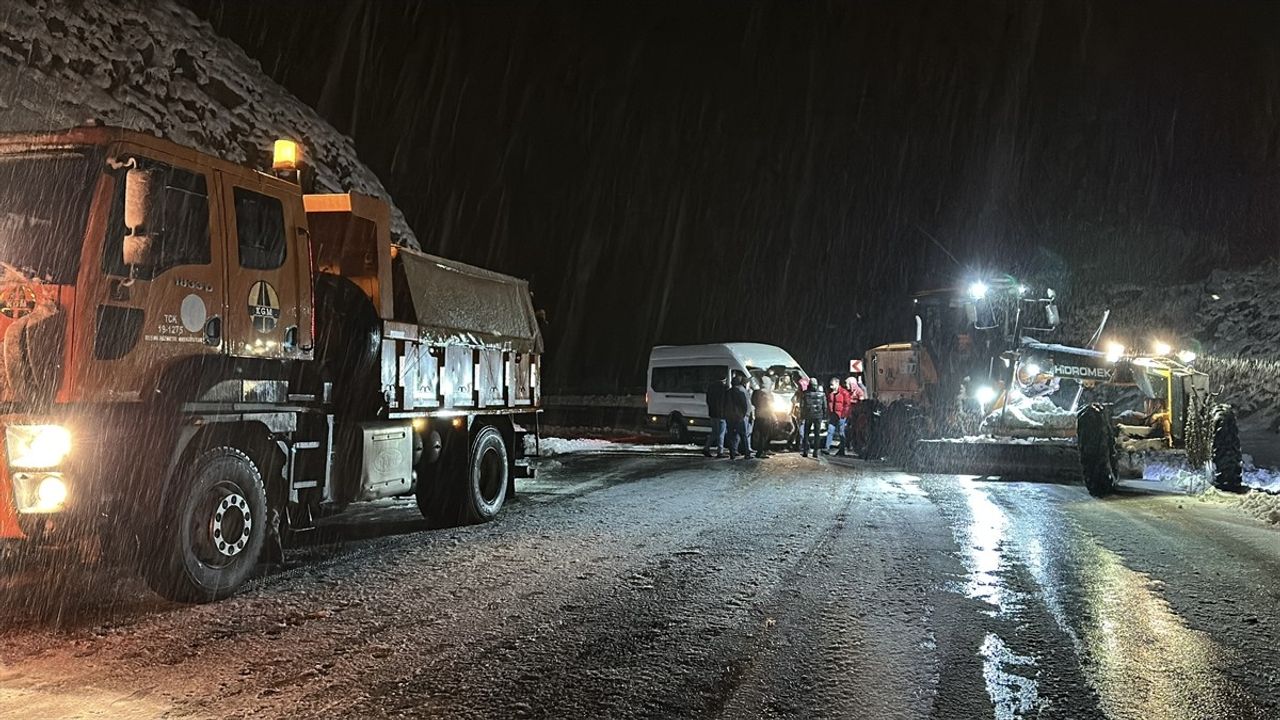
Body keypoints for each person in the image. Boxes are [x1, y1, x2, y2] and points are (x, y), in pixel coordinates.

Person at [723, 374, 754, 460]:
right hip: (739, 417)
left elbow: (724, 405)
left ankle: (732, 454)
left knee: (731, 435)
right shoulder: (740, 392)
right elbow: (744, 405)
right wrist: (743, 415)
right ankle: (747, 453)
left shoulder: (727, 392)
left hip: (729, 417)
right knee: (743, 435)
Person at [825, 377, 852, 455]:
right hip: (833, 415)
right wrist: (829, 413)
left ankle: (842, 449)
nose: (831, 387)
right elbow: (829, 403)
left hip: (841, 416)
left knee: (841, 432)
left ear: (837, 383)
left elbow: (847, 405)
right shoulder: (830, 393)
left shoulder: (844, 392)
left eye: (832, 385)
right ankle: (827, 448)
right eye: (830, 385)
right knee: (830, 431)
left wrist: (843, 415)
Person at [800, 377, 827, 457]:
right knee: (817, 434)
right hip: (818, 416)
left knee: (806, 434)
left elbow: (802, 405)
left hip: (808, 415)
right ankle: (815, 452)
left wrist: (802, 415)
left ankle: (805, 451)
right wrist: (824, 415)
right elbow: (824, 406)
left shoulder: (805, 394)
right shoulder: (822, 394)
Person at [703, 377, 728, 457]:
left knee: (714, 432)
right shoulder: (724, 388)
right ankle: (720, 451)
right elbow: (725, 401)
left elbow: (708, 401)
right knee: (721, 433)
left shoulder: (710, 388)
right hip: (721, 414)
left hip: (712, 413)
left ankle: (706, 448)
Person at [751, 375, 775, 458]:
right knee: (764, 435)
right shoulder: (768, 394)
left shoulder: (756, 392)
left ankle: (762, 450)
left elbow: (753, 402)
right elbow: (771, 406)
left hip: (758, 415)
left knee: (759, 434)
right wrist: (773, 416)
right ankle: (761, 452)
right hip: (766, 416)